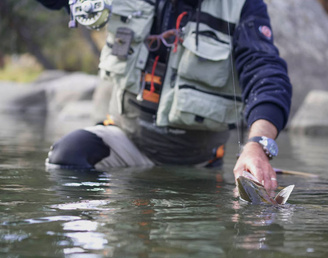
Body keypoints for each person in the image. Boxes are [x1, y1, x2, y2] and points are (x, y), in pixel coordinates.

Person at [36, 0, 291, 193]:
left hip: (198, 162)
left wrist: (257, 145)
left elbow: (267, 74)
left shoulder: (244, 6)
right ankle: (107, 209)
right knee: (67, 157)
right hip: (127, 140)